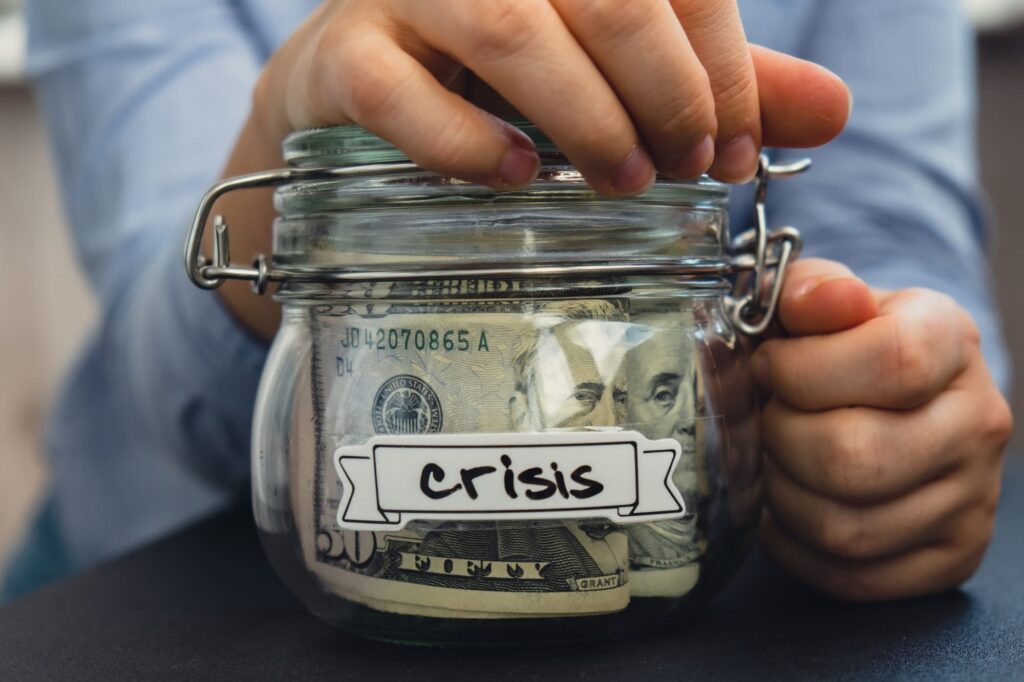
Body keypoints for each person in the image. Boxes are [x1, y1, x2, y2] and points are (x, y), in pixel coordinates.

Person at [3, 0, 1011, 603]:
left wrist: (885, 383)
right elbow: (171, 376)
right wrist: (282, 123)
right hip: (158, 593)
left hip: (729, 582)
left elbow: (891, 239)